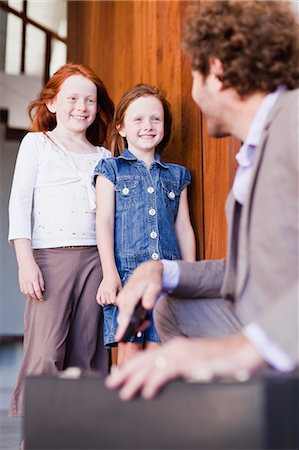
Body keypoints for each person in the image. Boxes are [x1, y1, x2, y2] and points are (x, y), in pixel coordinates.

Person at [105, 0, 299, 399]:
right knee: (171, 307)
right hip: (266, 322)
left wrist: (243, 351)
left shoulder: (294, 122)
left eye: (193, 74)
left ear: (216, 70)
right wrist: (165, 272)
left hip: (278, 334)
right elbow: (245, 271)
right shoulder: (257, 146)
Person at [8, 63, 114, 416]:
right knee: (46, 352)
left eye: (89, 100)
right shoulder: (37, 143)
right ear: (52, 103)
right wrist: (26, 261)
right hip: (49, 260)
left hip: (96, 262)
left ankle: (79, 433)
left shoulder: (104, 156)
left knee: (86, 352)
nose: (81, 107)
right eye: (72, 98)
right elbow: (19, 204)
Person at [93, 84, 196, 365]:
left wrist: (189, 275)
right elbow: (103, 222)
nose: (147, 126)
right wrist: (109, 274)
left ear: (164, 126)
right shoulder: (110, 170)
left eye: (156, 119)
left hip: (165, 278)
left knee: (160, 351)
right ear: (122, 127)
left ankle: (155, 410)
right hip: (126, 277)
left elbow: (183, 227)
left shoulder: (177, 176)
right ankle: (126, 410)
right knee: (128, 352)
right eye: (138, 119)